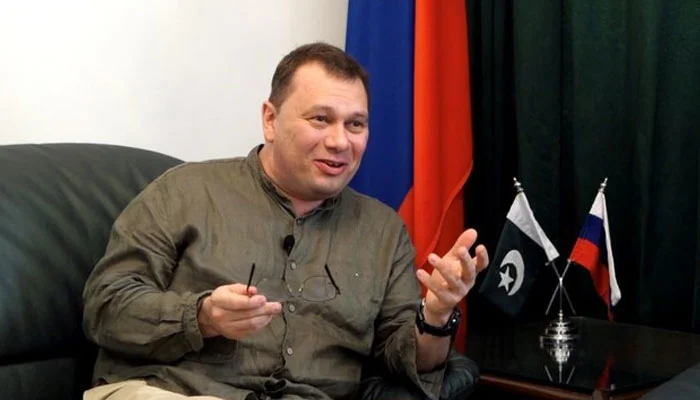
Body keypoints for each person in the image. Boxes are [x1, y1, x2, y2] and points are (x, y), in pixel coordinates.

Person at [81, 42, 489, 400]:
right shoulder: (183, 191)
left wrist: (436, 315)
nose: (340, 141)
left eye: (355, 124)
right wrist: (202, 316)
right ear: (270, 120)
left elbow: (408, 361)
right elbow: (105, 308)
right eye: (320, 119)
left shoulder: (384, 231)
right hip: (168, 390)